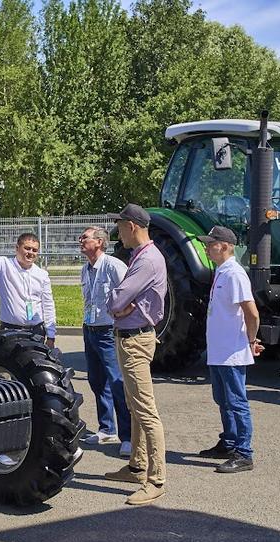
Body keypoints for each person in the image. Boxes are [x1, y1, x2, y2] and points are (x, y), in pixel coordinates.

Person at [102, 203, 168, 506]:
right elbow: (120, 303)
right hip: (130, 337)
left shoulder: (146, 261)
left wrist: (122, 304)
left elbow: (116, 300)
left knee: (145, 410)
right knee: (135, 405)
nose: (118, 232)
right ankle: (137, 467)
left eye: (120, 225)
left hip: (135, 340)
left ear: (132, 226)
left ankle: (156, 479)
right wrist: (122, 305)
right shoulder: (142, 257)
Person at [196, 226, 261, 473]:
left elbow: (251, 313)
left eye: (210, 244)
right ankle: (229, 442)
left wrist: (251, 340)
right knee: (222, 399)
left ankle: (244, 453)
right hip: (220, 351)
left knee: (236, 402)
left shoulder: (234, 274)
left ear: (223, 246)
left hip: (231, 351)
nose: (206, 248)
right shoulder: (222, 272)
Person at [78, 226, 133, 456]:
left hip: (108, 331)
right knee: (97, 380)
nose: (81, 240)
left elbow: (130, 294)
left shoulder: (113, 266)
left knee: (117, 382)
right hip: (90, 329)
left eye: (85, 237)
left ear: (100, 242)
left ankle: (128, 436)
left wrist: (121, 319)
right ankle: (106, 428)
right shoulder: (85, 268)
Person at [0, 231, 56, 348]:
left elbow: (48, 305)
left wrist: (51, 336)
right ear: (17, 248)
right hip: (10, 331)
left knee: (34, 365)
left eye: (34, 250)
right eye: (27, 248)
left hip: (36, 332)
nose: (31, 253)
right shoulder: (3, 266)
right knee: (9, 365)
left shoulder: (42, 274)